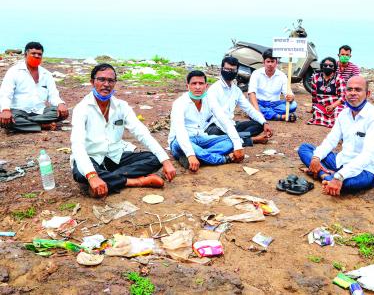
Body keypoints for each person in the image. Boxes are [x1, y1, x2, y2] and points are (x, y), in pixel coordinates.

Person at [71, 63, 176, 198]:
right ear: (92, 82)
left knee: (154, 159)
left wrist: (166, 161)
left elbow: (142, 133)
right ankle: (136, 181)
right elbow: (77, 144)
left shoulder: (121, 106)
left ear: (115, 83)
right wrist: (91, 175)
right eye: (101, 79)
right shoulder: (82, 109)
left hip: (115, 156)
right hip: (92, 157)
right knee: (81, 174)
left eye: (110, 80)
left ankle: (107, 181)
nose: (106, 84)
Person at [298, 76, 374, 196]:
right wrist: (316, 158)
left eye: (358, 89)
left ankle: (325, 176)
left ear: (368, 93)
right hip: (341, 161)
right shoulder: (344, 114)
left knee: (346, 184)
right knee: (305, 149)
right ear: (345, 92)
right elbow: (331, 140)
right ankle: (325, 175)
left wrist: (339, 176)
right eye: (349, 89)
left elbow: (368, 155)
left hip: (367, 169)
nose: (352, 93)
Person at [168, 70, 245, 172]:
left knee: (233, 140)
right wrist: (191, 154)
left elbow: (225, 121)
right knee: (178, 142)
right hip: (180, 142)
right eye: (194, 84)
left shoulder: (209, 100)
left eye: (201, 83)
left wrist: (238, 146)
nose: (198, 87)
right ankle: (223, 159)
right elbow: (180, 132)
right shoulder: (179, 103)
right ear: (188, 86)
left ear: (206, 86)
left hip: (201, 139)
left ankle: (199, 158)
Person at [0, 42, 68, 131]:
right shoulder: (14, 72)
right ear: (25, 54)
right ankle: (42, 125)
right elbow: (6, 94)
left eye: (39, 54)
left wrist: (60, 104)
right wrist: (5, 110)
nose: (36, 56)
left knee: (63, 112)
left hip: (40, 112)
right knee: (4, 120)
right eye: (33, 53)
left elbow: (53, 94)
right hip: (18, 111)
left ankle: (28, 124)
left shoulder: (46, 74)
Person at [205, 56, 273, 146]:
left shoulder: (236, 90)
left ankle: (237, 137)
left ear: (237, 71)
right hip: (215, 126)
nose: (230, 72)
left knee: (259, 124)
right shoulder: (214, 89)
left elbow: (249, 109)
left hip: (231, 124)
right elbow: (219, 116)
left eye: (233, 70)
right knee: (216, 135)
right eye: (227, 69)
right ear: (222, 69)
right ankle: (251, 139)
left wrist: (265, 122)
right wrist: (230, 130)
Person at [248, 49, 297, 122]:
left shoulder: (282, 75)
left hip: (275, 104)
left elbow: (288, 93)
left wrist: (291, 97)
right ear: (263, 62)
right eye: (268, 61)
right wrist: (257, 109)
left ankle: (262, 114)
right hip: (260, 103)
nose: (270, 64)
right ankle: (280, 117)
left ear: (276, 62)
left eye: (272, 61)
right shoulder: (256, 73)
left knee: (293, 105)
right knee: (250, 104)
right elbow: (251, 93)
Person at [307, 57, 346, 128]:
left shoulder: (339, 78)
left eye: (331, 65)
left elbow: (343, 97)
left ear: (334, 67)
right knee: (317, 114)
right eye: (325, 65)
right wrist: (313, 108)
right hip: (322, 106)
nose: (328, 67)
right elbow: (314, 96)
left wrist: (332, 106)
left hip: (336, 105)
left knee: (338, 114)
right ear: (322, 66)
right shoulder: (315, 77)